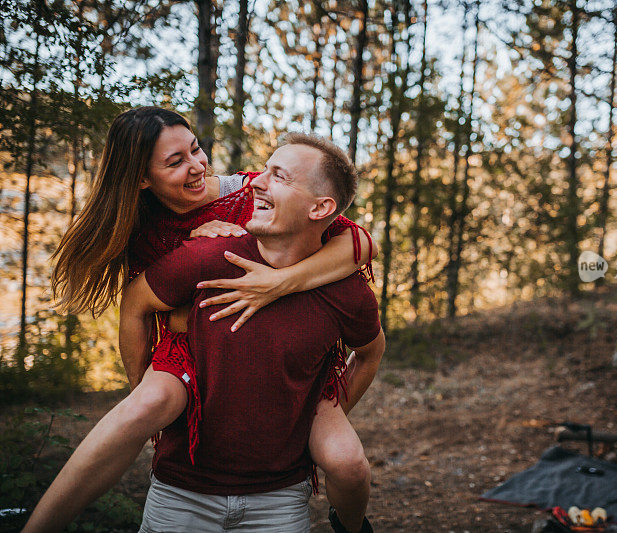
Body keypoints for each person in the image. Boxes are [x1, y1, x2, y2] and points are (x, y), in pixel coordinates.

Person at [23, 109, 376, 532]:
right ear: (140, 179)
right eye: (174, 162)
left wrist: (280, 283)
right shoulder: (141, 230)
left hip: (280, 340)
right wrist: (142, 385)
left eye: (196, 150)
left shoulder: (248, 194)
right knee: (144, 407)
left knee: (347, 461)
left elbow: (357, 241)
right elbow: (139, 304)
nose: (197, 167)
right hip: (189, 350)